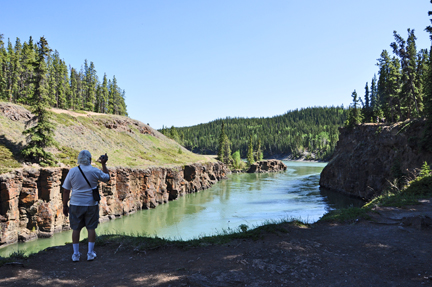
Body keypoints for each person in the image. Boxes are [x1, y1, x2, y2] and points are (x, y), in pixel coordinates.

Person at [62, 150, 110, 262]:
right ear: (90, 159)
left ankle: (76, 254)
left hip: (75, 204)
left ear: (79, 159)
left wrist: (65, 205)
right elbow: (107, 178)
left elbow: (66, 190)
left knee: (76, 229)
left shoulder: (72, 171)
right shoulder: (94, 171)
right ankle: (90, 253)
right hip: (91, 204)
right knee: (91, 228)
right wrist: (103, 164)